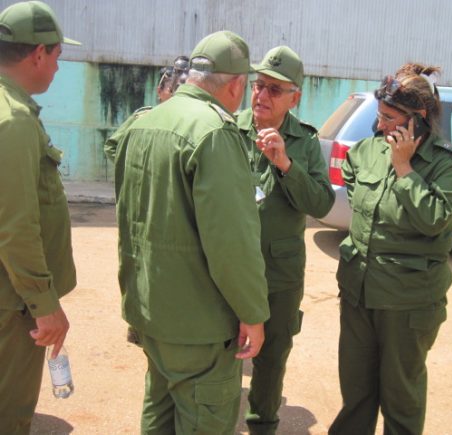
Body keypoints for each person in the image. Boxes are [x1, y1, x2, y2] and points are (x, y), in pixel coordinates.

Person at [113, 30, 270, 434]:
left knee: (159, 408)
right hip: (199, 323)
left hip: (151, 310)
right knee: (203, 416)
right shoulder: (214, 132)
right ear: (237, 84)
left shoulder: (144, 122)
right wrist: (252, 313)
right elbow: (230, 244)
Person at [329, 64, 452, 435]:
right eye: (380, 116)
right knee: (356, 392)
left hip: (407, 303)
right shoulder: (364, 152)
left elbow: (435, 219)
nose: (380, 126)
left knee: (401, 399)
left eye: (390, 118)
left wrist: (404, 168)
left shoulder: (447, 165)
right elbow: (356, 196)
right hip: (358, 295)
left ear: (419, 118)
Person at [237, 46, 335, 434]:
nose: (261, 95)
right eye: (258, 85)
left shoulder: (306, 142)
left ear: (295, 97)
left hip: (279, 272)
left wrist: (285, 165)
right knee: (227, 349)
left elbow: (322, 203)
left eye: (274, 90)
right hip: (231, 267)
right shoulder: (230, 130)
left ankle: (262, 423)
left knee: (272, 356)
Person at [0, 1, 79, 433]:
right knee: (9, 413)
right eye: (57, 57)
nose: (56, 68)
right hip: (11, 304)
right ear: (37, 54)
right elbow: (15, 225)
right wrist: (44, 305)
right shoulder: (13, 122)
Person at [104, 55, 189, 162]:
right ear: (159, 91)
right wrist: (134, 167)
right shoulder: (142, 117)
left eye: (178, 90)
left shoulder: (186, 121)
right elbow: (111, 147)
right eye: (170, 90)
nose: (175, 95)